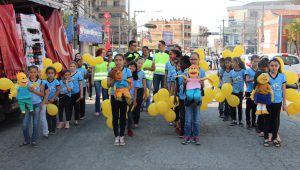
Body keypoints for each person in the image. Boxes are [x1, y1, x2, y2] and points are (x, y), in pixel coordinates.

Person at [107, 54, 132, 146]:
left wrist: (125, 90)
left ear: (123, 61)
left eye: (120, 60)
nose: (118, 62)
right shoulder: (111, 71)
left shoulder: (128, 70)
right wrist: (114, 78)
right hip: (114, 95)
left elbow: (130, 84)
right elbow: (108, 85)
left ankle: (122, 136)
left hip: (124, 95)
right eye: (116, 60)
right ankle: (116, 136)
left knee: (122, 116)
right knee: (115, 116)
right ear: (114, 61)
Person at [182, 52, 206, 145]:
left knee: (196, 120)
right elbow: (183, 83)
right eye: (191, 59)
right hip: (188, 97)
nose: (193, 61)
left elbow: (203, 85)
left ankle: (196, 136)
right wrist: (185, 81)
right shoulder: (186, 70)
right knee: (188, 120)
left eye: (195, 59)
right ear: (189, 60)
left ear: (198, 60)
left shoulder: (201, 71)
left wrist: (199, 81)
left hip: (197, 97)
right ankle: (187, 136)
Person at [263, 58, 286, 147]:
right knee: (267, 119)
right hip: (267, 101)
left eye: (276, 66)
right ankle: (266, 138)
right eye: (272, 65)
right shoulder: (265, 76)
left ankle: (275, 137)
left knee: (275, 120)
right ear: (269, 66)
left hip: (277, 102)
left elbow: (284, 90)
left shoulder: (282, 76)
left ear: (279, 66)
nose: (274, 67)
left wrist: (284, 103)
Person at [23, 66, 45, 147]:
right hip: (27, 105)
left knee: (35, 123)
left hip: (37, 104)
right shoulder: (25, 81)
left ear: (37, 73)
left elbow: (42, 94)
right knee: (25, 124)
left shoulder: (40, 82)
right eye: (31, 72)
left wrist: (33, 90)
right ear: (28, 73)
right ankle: (26, 139)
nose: (33, 74)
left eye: (34, 72)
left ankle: (34, 139)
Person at [174, 55, 191, 138]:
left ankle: (189, 131)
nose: (180, 65)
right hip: (181, 96)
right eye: (179, 63)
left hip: (190, 96)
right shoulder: (178, 73)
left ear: (187, 64)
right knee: (182, 114)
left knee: (189, 114)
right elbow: (177, 86)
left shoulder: (190, 72)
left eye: (181, 63)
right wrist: (174, 97)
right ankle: (182, 131)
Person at [254, 58, 269, 135]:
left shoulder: (267, 73)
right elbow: (255, 84)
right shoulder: (259, 73)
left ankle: (263, 127)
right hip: (260, 95)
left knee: (264, 112)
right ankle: (259, 126)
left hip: (265, 95)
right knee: (261, 112)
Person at [43, 66, 60, 135]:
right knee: (47, 116)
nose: (50, 74)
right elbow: (42, 91)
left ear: (55, 74)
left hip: (54, 100)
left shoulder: (56, 81)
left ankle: (53, 129)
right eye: (49, 73)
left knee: (53, 115)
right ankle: (49, 129)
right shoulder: (44, 82)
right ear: (46, 74)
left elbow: (58, 90)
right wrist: (45, 99)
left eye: (52, 73)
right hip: (47, 101)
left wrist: (53, 98)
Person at [230, 57, 246, 126]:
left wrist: (245, 91)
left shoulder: (243, 71)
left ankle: (240, 120)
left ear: (237, 63)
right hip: (233, 91)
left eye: (233, 62)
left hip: (240, 91)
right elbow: (230, 83)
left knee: (239, 106)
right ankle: (234, 120)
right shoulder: (231, 72)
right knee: (233, 106)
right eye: (232, 62)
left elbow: (245, 81)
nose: (232, 63)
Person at [245, 55, 259, 129]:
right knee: (248, 108)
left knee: (255, 108)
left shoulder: (260, 70)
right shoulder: (248, 70)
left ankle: (253, 123)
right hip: (249, 92)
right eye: (254, 61)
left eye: (257, 61)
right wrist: (255, 78)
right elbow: (247, 80)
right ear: (251, 62)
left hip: (257, 92)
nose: (256, 63)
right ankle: (248, 122)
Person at [132, 58, 147, 128]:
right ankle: (130, 120)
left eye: (141, 63)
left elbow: (144, 83)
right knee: (131, 105)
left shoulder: (142, 73)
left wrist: (145, 93)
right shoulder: (131, 72)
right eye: (138, 63)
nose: (140, 65)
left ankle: (136, 121)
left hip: (139, 91)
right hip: (131, 90)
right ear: (135, 62)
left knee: (137, 106)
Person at [69, 61, 83, 126]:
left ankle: (76, 120)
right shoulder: (67, 74)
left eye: (73, 66)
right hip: (69, 93)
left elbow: (80, 84)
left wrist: (81, 94)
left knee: (76, 107)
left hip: (76, 93)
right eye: (71, 66)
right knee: (69, 107)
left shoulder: (78, 74)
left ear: (76, 67)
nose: (72, 67)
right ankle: (68, 120)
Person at [127, 61, 138, 137]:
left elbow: (135, 90)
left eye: (133, 67)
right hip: (122, 96)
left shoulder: (135, 78)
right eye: (130, 66)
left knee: (129, 113)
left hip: (130, 97)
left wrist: (134, 100)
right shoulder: (123, 74)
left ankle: (129, 129)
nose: (131, 67)